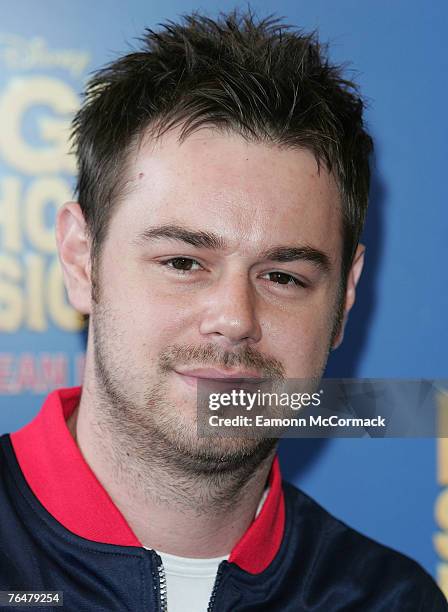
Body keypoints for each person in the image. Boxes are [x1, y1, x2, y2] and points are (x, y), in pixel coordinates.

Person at [0, 10, 445, 611]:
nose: (235, 317)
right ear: (82, 261)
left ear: (344, 298)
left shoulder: (390, 601)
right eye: (183, 262)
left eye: (284, 276)